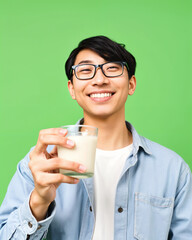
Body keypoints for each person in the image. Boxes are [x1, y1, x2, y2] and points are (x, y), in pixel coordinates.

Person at [0, 36, 192, 240]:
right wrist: (38, 200)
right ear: (72, 89)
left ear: (131, 84)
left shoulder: (173, 169)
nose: (99, 80)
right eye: (85, 70)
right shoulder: (41, 165)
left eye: (112, 68)